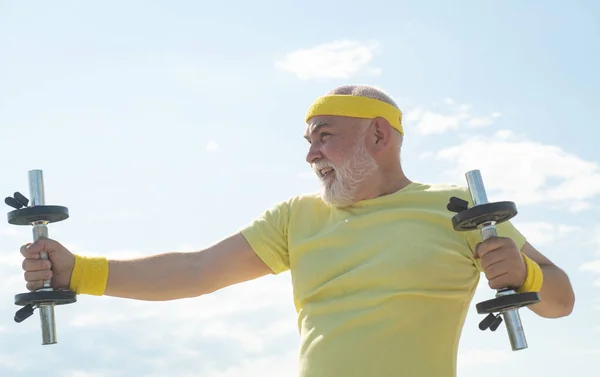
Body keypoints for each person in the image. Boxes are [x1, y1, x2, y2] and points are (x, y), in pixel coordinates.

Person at [20, 85, 575, 377]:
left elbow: (559, 299)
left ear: (378, 136)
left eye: (324, 136)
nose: (311, 153)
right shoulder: (296, 217)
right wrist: (79, 272)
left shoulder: (456, 210)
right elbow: (194, 271)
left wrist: (524, 271)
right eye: (308, 141)